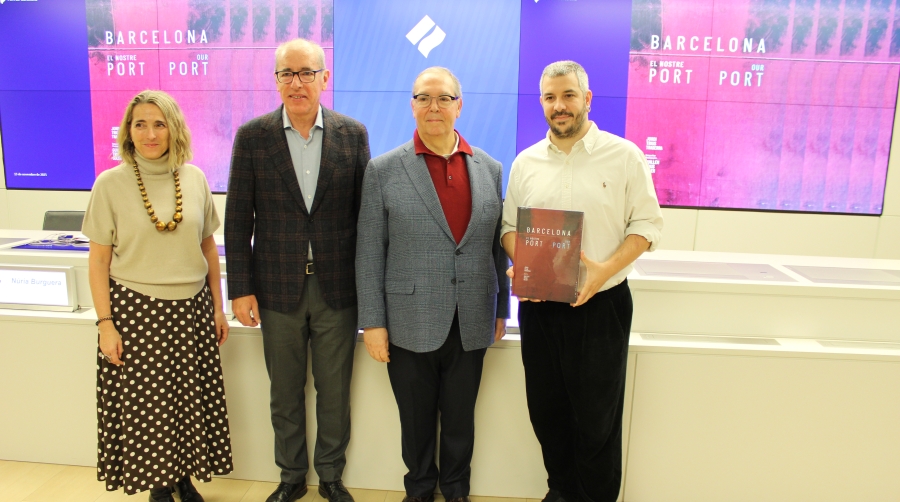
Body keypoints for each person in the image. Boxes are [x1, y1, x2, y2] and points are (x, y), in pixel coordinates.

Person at [501, 61, 663, 502]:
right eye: (551, 98)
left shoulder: (625, 156)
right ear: (542, 103)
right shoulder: (525, 162)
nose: (560, 106)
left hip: (602, 307)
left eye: (569, 95)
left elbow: (647, 227)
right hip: (540, 307)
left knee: (598, 419)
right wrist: (527, 265)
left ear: (587, 99)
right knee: (547, 413)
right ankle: (562, 491)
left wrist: (603, 270)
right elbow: (508, 228)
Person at [224, 38, 370, 502]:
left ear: (325, 78)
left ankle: (330, 475)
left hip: (337, 290)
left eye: (306, 72)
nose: (297, 82)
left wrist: (369, 289)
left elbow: (365, 218)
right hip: (277, 288)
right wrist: (240, 289)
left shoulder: (353, 134)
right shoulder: (253, 136)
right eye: (287, 74)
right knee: (284, 393)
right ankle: (290, 476)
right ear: (276, 81)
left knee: (334, 392)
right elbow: (236, 222)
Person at [356, 67, 510, 502]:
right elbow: (369, 252)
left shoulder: (490, 168)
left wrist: (500, 309)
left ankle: (456, 490)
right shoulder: (384, 170)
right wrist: (373, 322)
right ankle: (420, 490)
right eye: (424, 98)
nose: (434, 107)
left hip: (472, 318)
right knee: (417, 420)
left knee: (461, 420)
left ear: (459, 105)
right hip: (407, 321)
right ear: (412, 105)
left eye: (443, 98)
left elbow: (495, 246)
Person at [86, 90, 232, 502]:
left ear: (174, 129)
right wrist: (105, 324)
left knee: (189, 403)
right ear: (128, 132)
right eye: (140, 124)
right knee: (149, 410)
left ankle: (184, 478)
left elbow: (208, 250)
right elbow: (97, 262)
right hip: (136, 311)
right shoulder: (110, 184)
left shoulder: (195, 178)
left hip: (192, 310)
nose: (150, 133)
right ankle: (160, 487)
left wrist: (217, 308)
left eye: (159, 123)